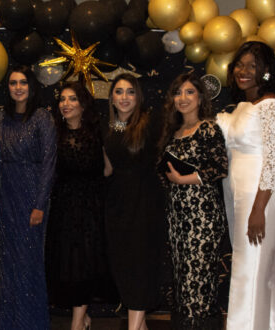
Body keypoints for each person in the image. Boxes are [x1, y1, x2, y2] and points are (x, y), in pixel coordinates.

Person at [215, 41, 275, 330]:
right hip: (240, 196)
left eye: (252, 65)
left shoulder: (272, 105)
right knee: (264, 274)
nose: (243, 70)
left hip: (262, 197)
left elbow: (274, 161)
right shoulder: (242, 106)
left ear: (267, 71)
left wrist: (259, 209)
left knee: (248, 273)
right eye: (239, 64)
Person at [159, 73, 228, 329]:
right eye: (178, 93)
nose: (183, 98)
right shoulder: (173, 132)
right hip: (178, 217)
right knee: (182, 280)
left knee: (199, 280)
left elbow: (220, 167)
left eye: (189, 92)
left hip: (203, 216)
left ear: (200, 98)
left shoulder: (208, 128)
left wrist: (182, 179)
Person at [0, 65, 56, 329]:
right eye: (12, 83)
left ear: (31, 86)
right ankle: (11, 323)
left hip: (32, 195)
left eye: (23, 83)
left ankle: (32, 322)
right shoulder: (1, 118)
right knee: (10, 262)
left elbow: (49, 163)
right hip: (7, 194)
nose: (18, 88)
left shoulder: (42, 117)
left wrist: (39, 205)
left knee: (29, 262)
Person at [103, 73, 167, 330]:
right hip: (117, 203)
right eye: (119, 92)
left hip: (145, 202)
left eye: (130, 91)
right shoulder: (110, 126)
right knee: (124, 268)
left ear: (138, 96)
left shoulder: (149, 123)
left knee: (141, 267)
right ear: (112, 98)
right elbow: (108, 168)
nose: (124, 97)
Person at [46, 82, 106, 330]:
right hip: (63, 209)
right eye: (62, 99)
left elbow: (108, 168)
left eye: (72, 99)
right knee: (67, 266)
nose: (66, 104)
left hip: (89, 209)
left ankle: (77, 323)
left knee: (83, 265)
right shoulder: (53, 133)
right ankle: (82, 318)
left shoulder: (97, 132)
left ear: (83, 104)